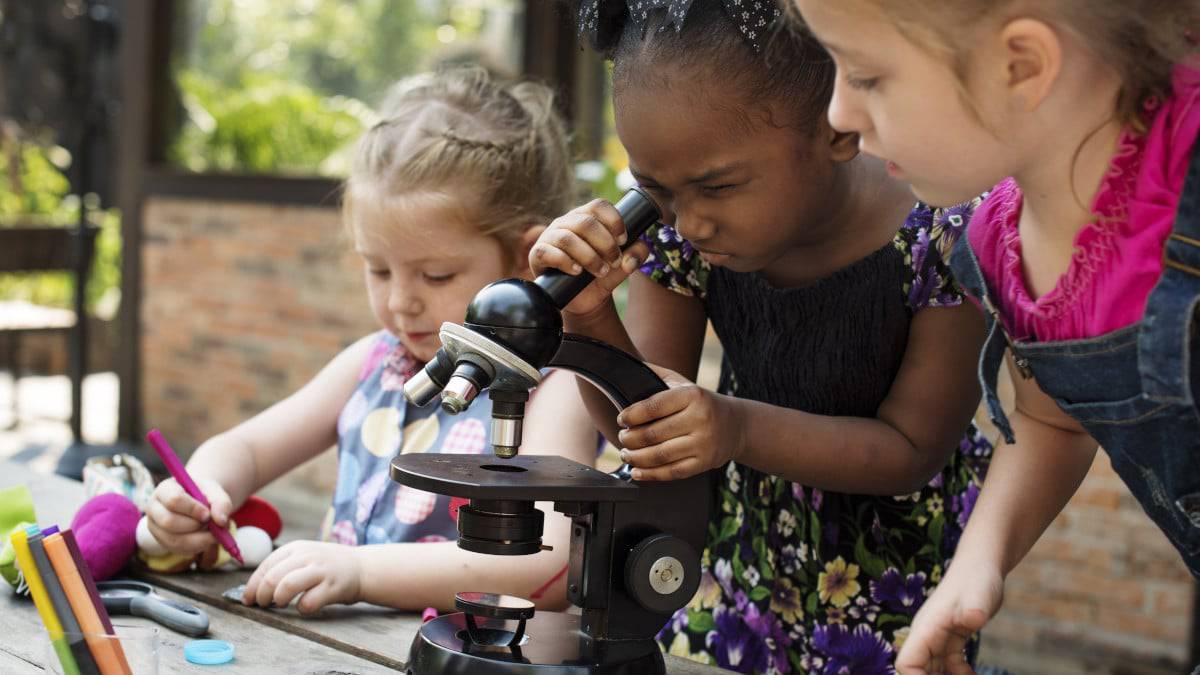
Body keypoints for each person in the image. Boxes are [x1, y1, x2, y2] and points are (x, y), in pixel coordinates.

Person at [529, 2, 993, 671]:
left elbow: (911, 448)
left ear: (840, 125)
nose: (689, 222)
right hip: (726, 559)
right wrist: (589, 316)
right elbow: (643, 425)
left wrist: (734, 427)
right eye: (656, 189)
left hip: (891, 584)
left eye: (718, 186)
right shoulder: (679, 229)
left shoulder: (944, 234)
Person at [792, 1, 1200, 672]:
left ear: (1021, 65)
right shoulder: (997, 244)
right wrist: (978, 561)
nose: (837, 112)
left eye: (865, 76)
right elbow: (1053, 418)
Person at [144, 67, 598, 614]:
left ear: (527, 262)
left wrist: (359, 572)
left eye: (435, 276)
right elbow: (245, 447)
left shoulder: (554, 388)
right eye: (378, 270)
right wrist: (202, 492)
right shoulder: (375, 361)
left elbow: (545, 562)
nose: (402, 301)